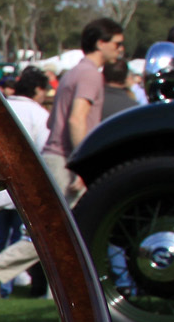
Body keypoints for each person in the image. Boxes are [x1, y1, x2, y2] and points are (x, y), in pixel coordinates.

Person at [0, 66, 55, 298]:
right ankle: (3, 286)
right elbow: (44, 150)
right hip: (22, 186)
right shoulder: (38, 114)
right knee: (17, 239)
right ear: (38, 89)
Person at [42, 17, 125, 201]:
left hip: (55, 160)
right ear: (101, 43)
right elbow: (76, 119)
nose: (120, 49)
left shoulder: (73, 73)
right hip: (66, 163)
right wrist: (83, 165)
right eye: (117, 44)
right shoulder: (90, 75)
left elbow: (52, 121)